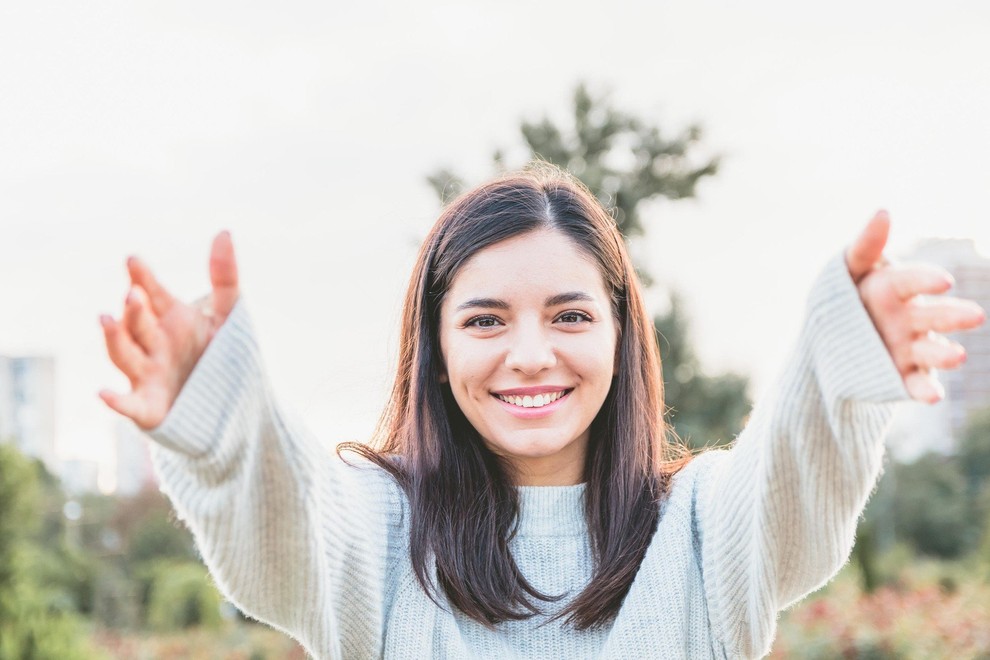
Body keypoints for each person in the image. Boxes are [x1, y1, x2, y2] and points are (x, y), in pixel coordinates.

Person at [100, 165, 985, 659]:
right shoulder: (377, 532)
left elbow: (794, 479)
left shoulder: (705, 527)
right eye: (485, 320)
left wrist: (844, 356)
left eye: (569, 315)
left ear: (620, 336)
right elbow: (283, 523)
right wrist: (213, 408)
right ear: (438, 352)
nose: (530, 354)